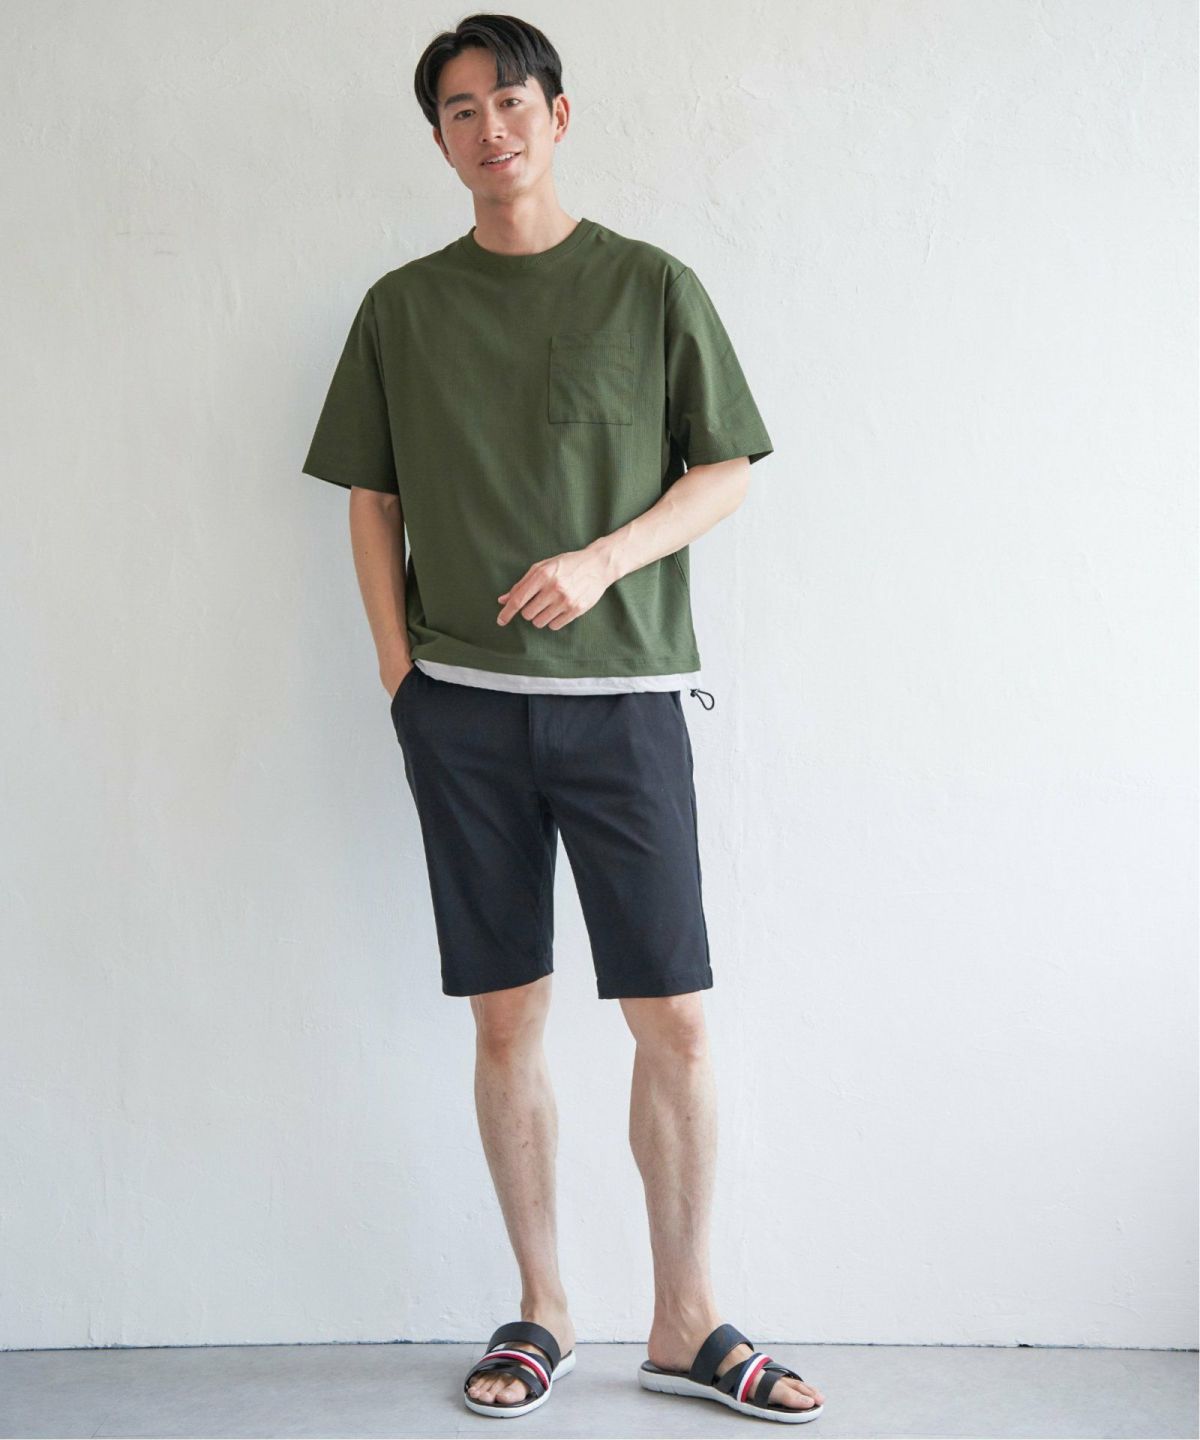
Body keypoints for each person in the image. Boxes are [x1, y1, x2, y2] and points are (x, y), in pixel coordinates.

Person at [301, 12, 826, 1425]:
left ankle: (686, 1319)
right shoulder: (403, 307)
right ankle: (542, 1307)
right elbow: (372, 498)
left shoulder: (649, 284)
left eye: (513, 101)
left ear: (559, 115)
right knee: (505, 1022)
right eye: (462, 110)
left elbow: (726, 467)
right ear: (439, 140)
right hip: (462, 715)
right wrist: (402, 677)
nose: (492, 128)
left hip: (625, 706)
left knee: (677, 1022)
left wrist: (603, 560)